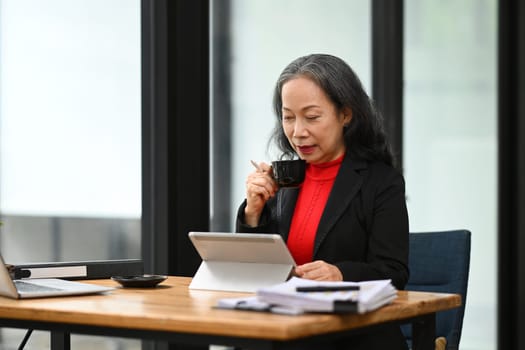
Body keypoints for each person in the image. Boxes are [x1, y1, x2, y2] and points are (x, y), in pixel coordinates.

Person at [236, 53, 409, 350]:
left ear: (346, 114)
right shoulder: (286, 176)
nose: (297, 132)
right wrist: (253, 212)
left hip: (351, 337)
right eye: (288, 117)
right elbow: (253, 271)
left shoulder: (381, 181)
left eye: (312, 117)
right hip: (286, 330)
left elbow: (394, 272)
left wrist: (340, 274)